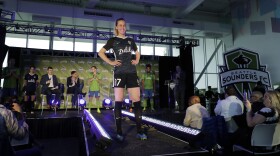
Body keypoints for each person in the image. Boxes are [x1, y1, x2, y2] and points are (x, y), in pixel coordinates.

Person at [98, 17, 147, 141]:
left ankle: (140, 131)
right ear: (116, 27)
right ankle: (119, 132)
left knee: (136, 100)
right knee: (118, 100)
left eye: (124, 25)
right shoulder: (113, 40)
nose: (122, 27)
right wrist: (111, 62)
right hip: (119, 73)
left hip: (131, 73)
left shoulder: (130, 40)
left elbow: (137, 53)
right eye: (120, 25)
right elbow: (101, 52)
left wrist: (136, 60)